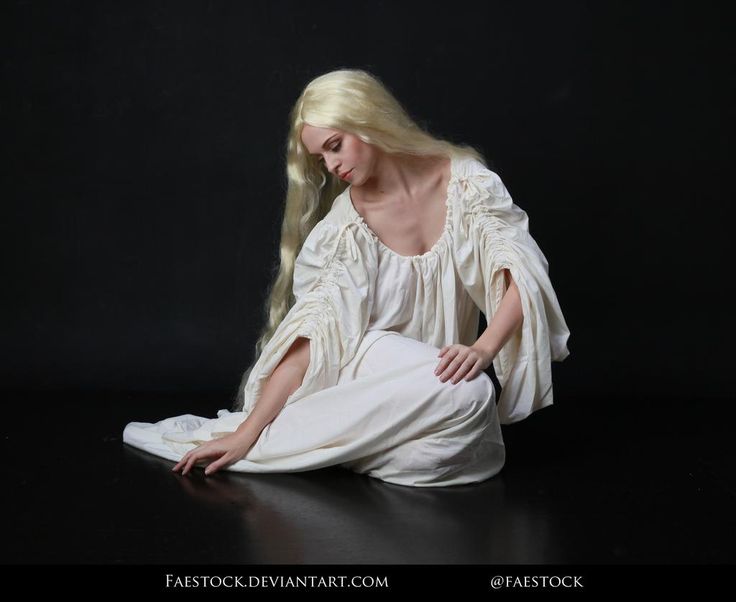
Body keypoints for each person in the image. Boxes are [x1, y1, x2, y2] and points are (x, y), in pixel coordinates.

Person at [123, 68, 571, 487]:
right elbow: (309, 342)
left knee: (472, 455)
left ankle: (343, 444)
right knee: (472, 394)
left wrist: (483, 347)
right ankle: (271, 441)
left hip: (435, 376)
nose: (331, 166)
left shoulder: (468, 184)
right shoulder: (345, 231)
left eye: (335, 145)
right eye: (321, 157)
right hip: (366, 365)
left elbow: (521, 277)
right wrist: (248, 431)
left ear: (369, 122)